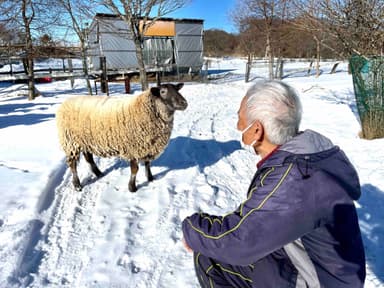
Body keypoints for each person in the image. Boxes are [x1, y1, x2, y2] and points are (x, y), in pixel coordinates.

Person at [181, 80, 366, 288]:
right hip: (320, 269)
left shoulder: (295, 179)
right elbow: (265, 218)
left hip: (318, 282)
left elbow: (239, 241)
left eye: (240, 119)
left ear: (257, 130)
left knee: (208, 256)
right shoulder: (307, 156)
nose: (238, 127)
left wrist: (191, 229)